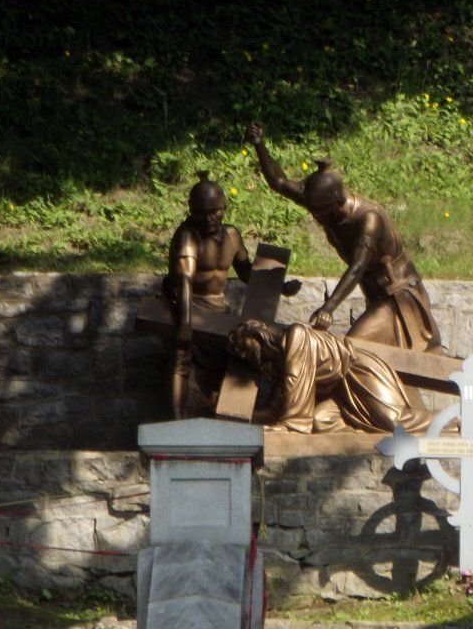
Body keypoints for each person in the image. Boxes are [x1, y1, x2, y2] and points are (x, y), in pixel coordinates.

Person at [247, 123, 441, 354]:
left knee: (354, 348)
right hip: (376, 298)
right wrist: (258, 144)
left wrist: (328, 308)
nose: (317, 216)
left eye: (322, 210)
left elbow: (358, 267)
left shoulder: (368, 219)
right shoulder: (320, 201)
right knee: (372, 359)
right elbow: (279, 182)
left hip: (399, 299)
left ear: (338, 200)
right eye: (313, 209)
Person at [163, 173, 299, 419]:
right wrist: (184, 323)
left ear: (224, 207)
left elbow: (247, 273)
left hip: (219, 311)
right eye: (202, 212)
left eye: (215, 211)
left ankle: (263, 410)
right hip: (190, 308)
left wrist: (281, 288)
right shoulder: (187, 237)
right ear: (191, 211)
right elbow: (184, 280)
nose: (209, 218)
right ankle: (176, 420)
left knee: (258, 348)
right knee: (181, 356)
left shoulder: (232, 236)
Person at [228, 319, 431, 435]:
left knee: (395, 423)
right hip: (339, 395)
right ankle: (357, 429)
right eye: (241, 354)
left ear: (259, 337)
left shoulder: (296, 335)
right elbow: (275, 407)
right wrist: (243, 419)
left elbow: (295, 379)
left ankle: (455, 419)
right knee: (320, 422)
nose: (245, 356)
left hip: (358, 372)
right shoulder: (279, 363)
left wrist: (292, 425)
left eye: (244, 348)